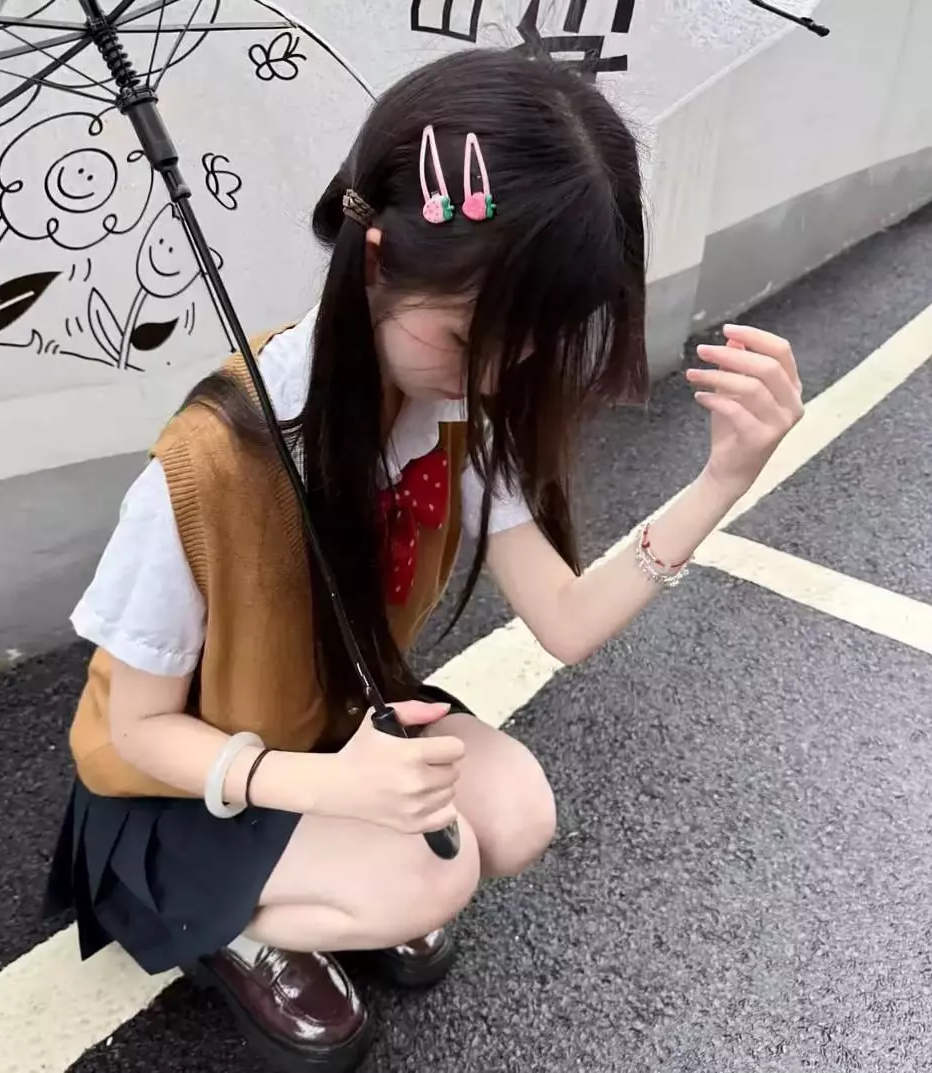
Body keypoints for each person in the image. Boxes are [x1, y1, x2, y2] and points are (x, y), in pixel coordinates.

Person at [44, 46, 804, 1073]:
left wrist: (723, 478)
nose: (497, 371)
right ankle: (237, 928)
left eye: (530, 338)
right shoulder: (205, 465)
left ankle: (341, 879)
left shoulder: (456, 413)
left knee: (517, 817)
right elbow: (122, 738)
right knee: (427, 879)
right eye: (468, 333)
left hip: (339, 727)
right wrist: (328, 788)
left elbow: (565, 622)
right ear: (374, 263)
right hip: (187, 785)